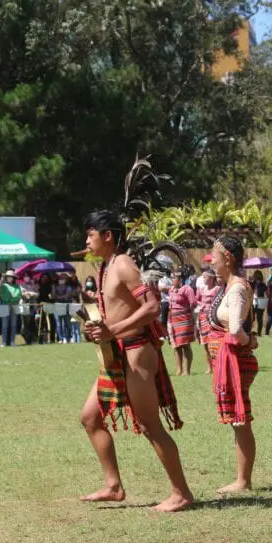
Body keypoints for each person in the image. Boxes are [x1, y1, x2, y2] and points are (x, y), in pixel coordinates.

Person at [78, 210, 191, 513]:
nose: (86, 240)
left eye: (90, 233)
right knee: (90, 417)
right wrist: (95, 324)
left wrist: (111, 330)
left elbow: (152, 307)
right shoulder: (107, 266)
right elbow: (117, 310)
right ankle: (113, 486)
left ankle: (181, 493)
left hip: (137, 352)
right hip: (117, 353)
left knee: (150, 425)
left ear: (108, 236)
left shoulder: (124, 264)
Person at [208, 237, 261, 493]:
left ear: (227, 258)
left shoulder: (238, 288)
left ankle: (243, 480)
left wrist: (249, 341)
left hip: (236, 361)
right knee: (237, 421)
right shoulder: (228, 285)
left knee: (240, 420)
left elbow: (237, 328)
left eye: (214, 255)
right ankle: (242, 478)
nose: (211, 259)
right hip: (228, 361)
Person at [167, 268, 196, 376]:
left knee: (185, 345)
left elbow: (193, 303)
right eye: (171, 277)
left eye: (173, 277)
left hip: (184, 320)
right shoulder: (171, 289)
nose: (172, 279)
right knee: (176, 345)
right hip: (173, 320)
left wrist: (186, 313)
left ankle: (186, 370)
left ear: (180, 279)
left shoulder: (187, 289)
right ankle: (178, 370)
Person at [195, 270, 218, 374]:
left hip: (212, 317)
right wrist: (201, 305)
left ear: (212, 278)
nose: (203, 279)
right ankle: (209, 366)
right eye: (203, 277)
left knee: (212, 342)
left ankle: (216, 365)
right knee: (205, 343)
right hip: (202, 317)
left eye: (205, 277)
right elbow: (196, 300)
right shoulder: (202, 289)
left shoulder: (217, 289)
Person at [0, 270, 22, 346]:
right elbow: (1, 296)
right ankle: (4, 342)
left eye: (11, 277)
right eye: (8, 277)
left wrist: (10, 299)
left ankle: (12, 342)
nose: (9, 278)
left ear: (13, 278)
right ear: (6, 278)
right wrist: (10, 298)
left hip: (14, 306)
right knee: (4, 325)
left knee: (14, 324)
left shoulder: (17, 286)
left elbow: (18, 296)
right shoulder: (3, 285)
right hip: (4, 306)